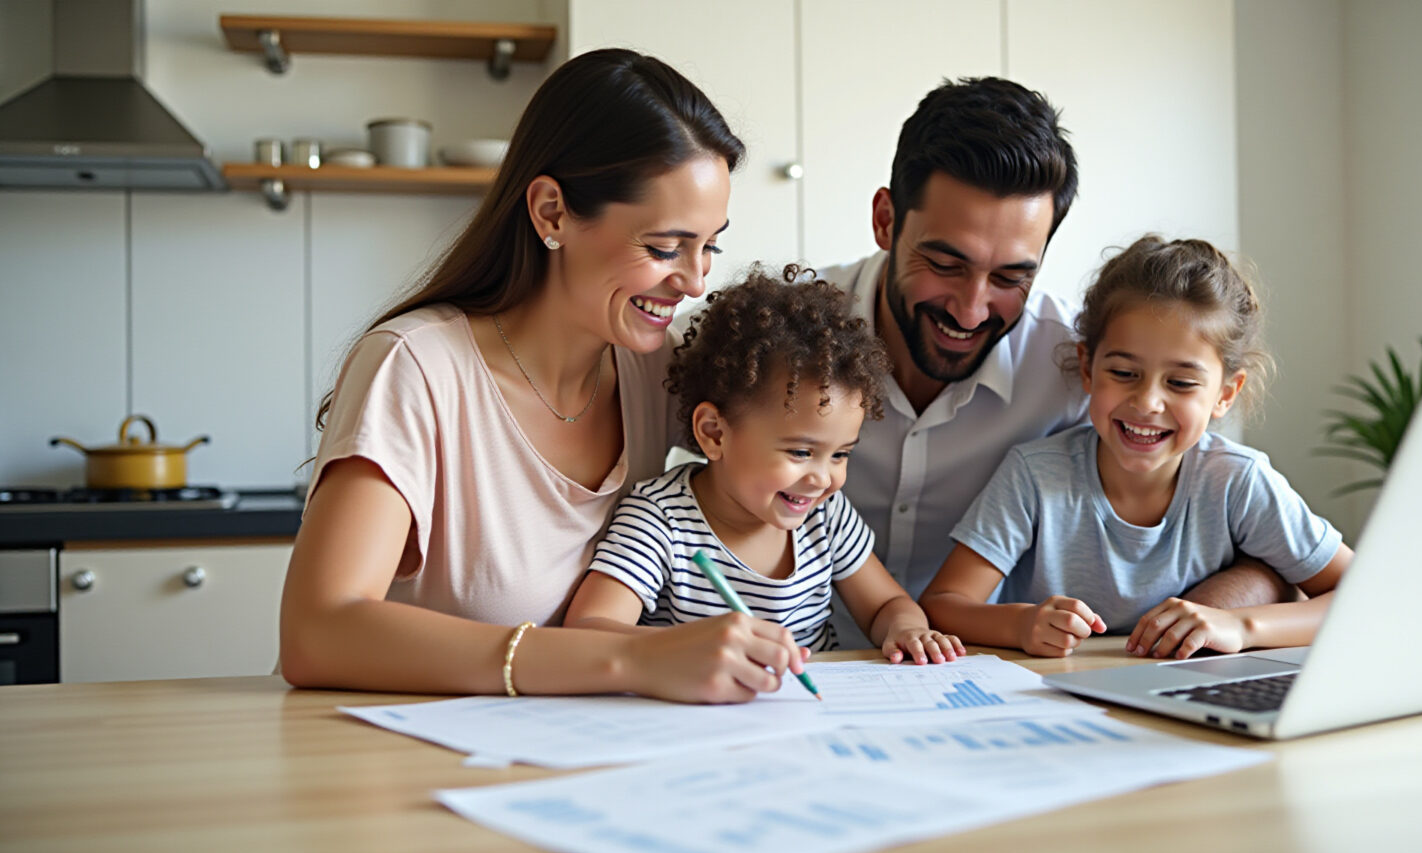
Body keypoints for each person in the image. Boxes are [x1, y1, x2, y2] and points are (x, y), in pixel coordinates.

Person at [279, 49, 814, 703]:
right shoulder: (416, 366)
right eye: (664, 248)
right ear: (552, 212)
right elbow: (318, 631)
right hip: (405, 755)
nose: (695, 281)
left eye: (710, 246)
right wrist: (629, 658)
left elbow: (794, 446)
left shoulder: (659, 369)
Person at [818, 77, 1291, 648]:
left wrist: (1221, 609)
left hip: (976, 664)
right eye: (945, 264)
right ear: (886, 221)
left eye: (1010, 277)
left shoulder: (1083, 361)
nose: (971, 310)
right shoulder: (775, 342)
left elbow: (1255, 548)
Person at [920, 235, 1354, 658]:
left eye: (1180, 383)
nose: (1147, 402)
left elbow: (1360, 595)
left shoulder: (1238, 480)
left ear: (1225, 394)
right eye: (1124, 373)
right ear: (1087, 368)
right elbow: (942, 604)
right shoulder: (1035, 475)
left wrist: (1241, 626)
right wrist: (1020, 624)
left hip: (1185, 692)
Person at [566, 266, 966, 666]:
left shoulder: (826, 516)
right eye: (800, 452)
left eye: (840, 455)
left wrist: (906, 628)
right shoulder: (661, 520)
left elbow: (885, 605)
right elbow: (589, 630)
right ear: (715, 433)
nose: (823, 479)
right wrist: (687, 649)